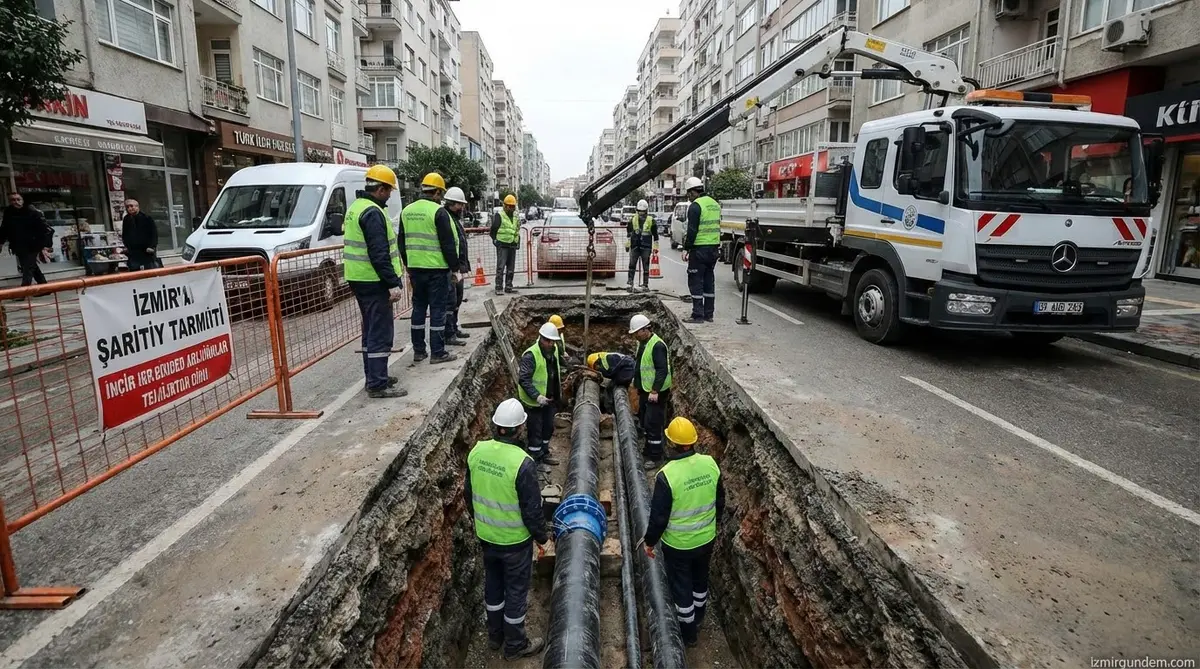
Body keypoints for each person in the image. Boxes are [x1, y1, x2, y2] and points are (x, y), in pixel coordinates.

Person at [465, 398, 549, 660]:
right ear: (520, 427)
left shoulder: (477, 452)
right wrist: (542, 538)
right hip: (514, 542)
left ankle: (495, 636)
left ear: (496, 425)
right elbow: (531, 509)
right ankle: (515, 645)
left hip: (486, 537)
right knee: (515, 592)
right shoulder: (522, 463)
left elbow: (468, 495)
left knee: (493, 585)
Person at [642, 416, 724, 649]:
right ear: (693, 442)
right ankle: (699, 619)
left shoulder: (667, 475)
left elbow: (659, 517)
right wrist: (712, 526)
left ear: (671, 443)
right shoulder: (710, 464)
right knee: (700, 580)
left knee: (681, 587)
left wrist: (649, 542)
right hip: (706, 539)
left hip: (679, 545)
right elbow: (720, 502)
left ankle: (688, 634)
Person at [343, 165, 407, 398]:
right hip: (374, 280)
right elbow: (379, 254)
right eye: (388, 190)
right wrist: (392, 282)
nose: (389, 195)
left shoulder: (356, 207)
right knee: (380, 332)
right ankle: (378, 384)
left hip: (359, 278)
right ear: (380, 189)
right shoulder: (373, 213)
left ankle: (374, 376)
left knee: (370, 330)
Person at [399, 172, 460, 364]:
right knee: (437, 310)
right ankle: (437, 352)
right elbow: (448, 244)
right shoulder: (438, 212)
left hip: (415, 269)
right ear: (437, 192)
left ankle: (419, 351)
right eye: (441, 194)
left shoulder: (406, 211)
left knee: (418, 309)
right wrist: (455, 269)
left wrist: (408, 265)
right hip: (437, 270)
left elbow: (402, 242)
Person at [517, 321, 563, 468]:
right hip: (534, 403)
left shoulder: (553, 350)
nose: (550, 344)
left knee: (548, 428)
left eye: (552, 341)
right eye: (547, 341)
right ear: (541, 338)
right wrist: (537, 396)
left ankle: (544, 453)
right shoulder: (531, 355)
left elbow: (554, 370)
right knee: (535, 432)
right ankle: (535, 461)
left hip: (549, 399)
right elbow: (524, 380)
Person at [630, 313, 672, 469]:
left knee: (653, 423)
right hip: (645, 390)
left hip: (656, 393)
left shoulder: (657, 346)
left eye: (636, 332)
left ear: (644, 330)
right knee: (645, 422)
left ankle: (656, 457)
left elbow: (662, 370)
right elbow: (641, 365)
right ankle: (648, 449)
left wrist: (655, 391)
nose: (634, 335)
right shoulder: (642, 343)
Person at [681, 176, 721, 323]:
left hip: (699, 250)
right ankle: (709, 314)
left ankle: (697, 315)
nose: (688, 197)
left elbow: (692, 230)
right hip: (713, 249)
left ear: (693, 192)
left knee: (695, 281)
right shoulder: (715, 204)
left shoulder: (695, 206)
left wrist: (686, 249)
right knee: (709, 281)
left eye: (688, 194)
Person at [0, 192, 53, 286]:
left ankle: (24, 290)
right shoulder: (8, 213)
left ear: (22, 200)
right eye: (13, 200)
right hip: (18, 245)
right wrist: (1, 242)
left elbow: (44, 229)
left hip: (33, 244)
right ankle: (45, 287)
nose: (16, 202)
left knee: (27, 268)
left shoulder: (31, 211)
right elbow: (4, 228)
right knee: (31, 266)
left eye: (18, 199)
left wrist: (44, 245)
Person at [442, 187, 472, 347]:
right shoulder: (446, 218)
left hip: (458, 266)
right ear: (452, 204)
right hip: (452, 267)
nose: (462, 208)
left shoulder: (454, 219)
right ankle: (449, 333)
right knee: (451, 300)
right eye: (460, 204)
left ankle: (454, 327)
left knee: (457, 299)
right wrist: (455, 268)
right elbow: (450, 245)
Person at [490, 194, 521, 294]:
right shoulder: (499, 215)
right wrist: (495, 240)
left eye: (513, 206)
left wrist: (517, 241)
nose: (511, 208)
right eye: (509, 206)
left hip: (512, 244)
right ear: (505, 206)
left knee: (511, 268)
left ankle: (508, 286)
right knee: (501, 267)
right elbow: (493, 230)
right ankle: (499, 287)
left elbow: (516, 229)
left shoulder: (515, 217)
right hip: (502, 244)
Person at [626, 199, 657, 291]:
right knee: (632, 265)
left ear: (646, 211)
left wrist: (655, 248)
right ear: (637, 210)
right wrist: (627, 245)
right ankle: (630, 283)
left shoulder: (651, 220)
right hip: (635, 246)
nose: (641, 213)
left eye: (643, 211)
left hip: (646, 247)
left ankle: (645, 284)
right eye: (640, 211)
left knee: (646, 267)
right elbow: (628, 234)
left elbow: (655, 236)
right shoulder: (632, 220)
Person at [121, 199, 160, 271]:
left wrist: (152, 246)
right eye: (127, 207)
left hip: (146, 250)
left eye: (131, 206)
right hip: (133, 251)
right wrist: (126, 246)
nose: (129, 208)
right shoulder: (126, 219)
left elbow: (154, 234)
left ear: (137, 207)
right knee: (134, 270)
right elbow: (125, 234)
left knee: (149, 270)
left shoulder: (146, 218)